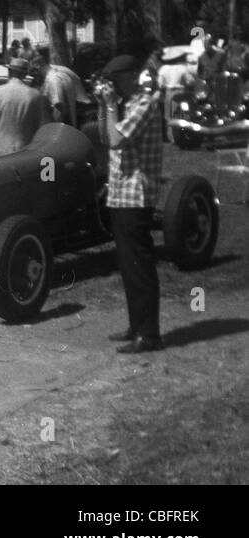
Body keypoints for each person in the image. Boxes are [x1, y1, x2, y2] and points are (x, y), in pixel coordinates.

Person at [96, 55, 166, 354]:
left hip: (135, 196)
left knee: (139, 266)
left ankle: (149, 334)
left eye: (113, 79)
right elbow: (103, 135)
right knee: (128, 265)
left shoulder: (145, 104)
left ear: (128, 76)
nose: (111, 85)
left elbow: (115, 141)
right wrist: (104, 106)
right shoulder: (126, 105)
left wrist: (111, 106)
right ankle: (136, 325)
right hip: (121, 195)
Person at [0, 57, 50, 157]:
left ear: (9, 71)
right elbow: (39, 125)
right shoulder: (35, 95)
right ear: (24, 74)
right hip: (23, 149)